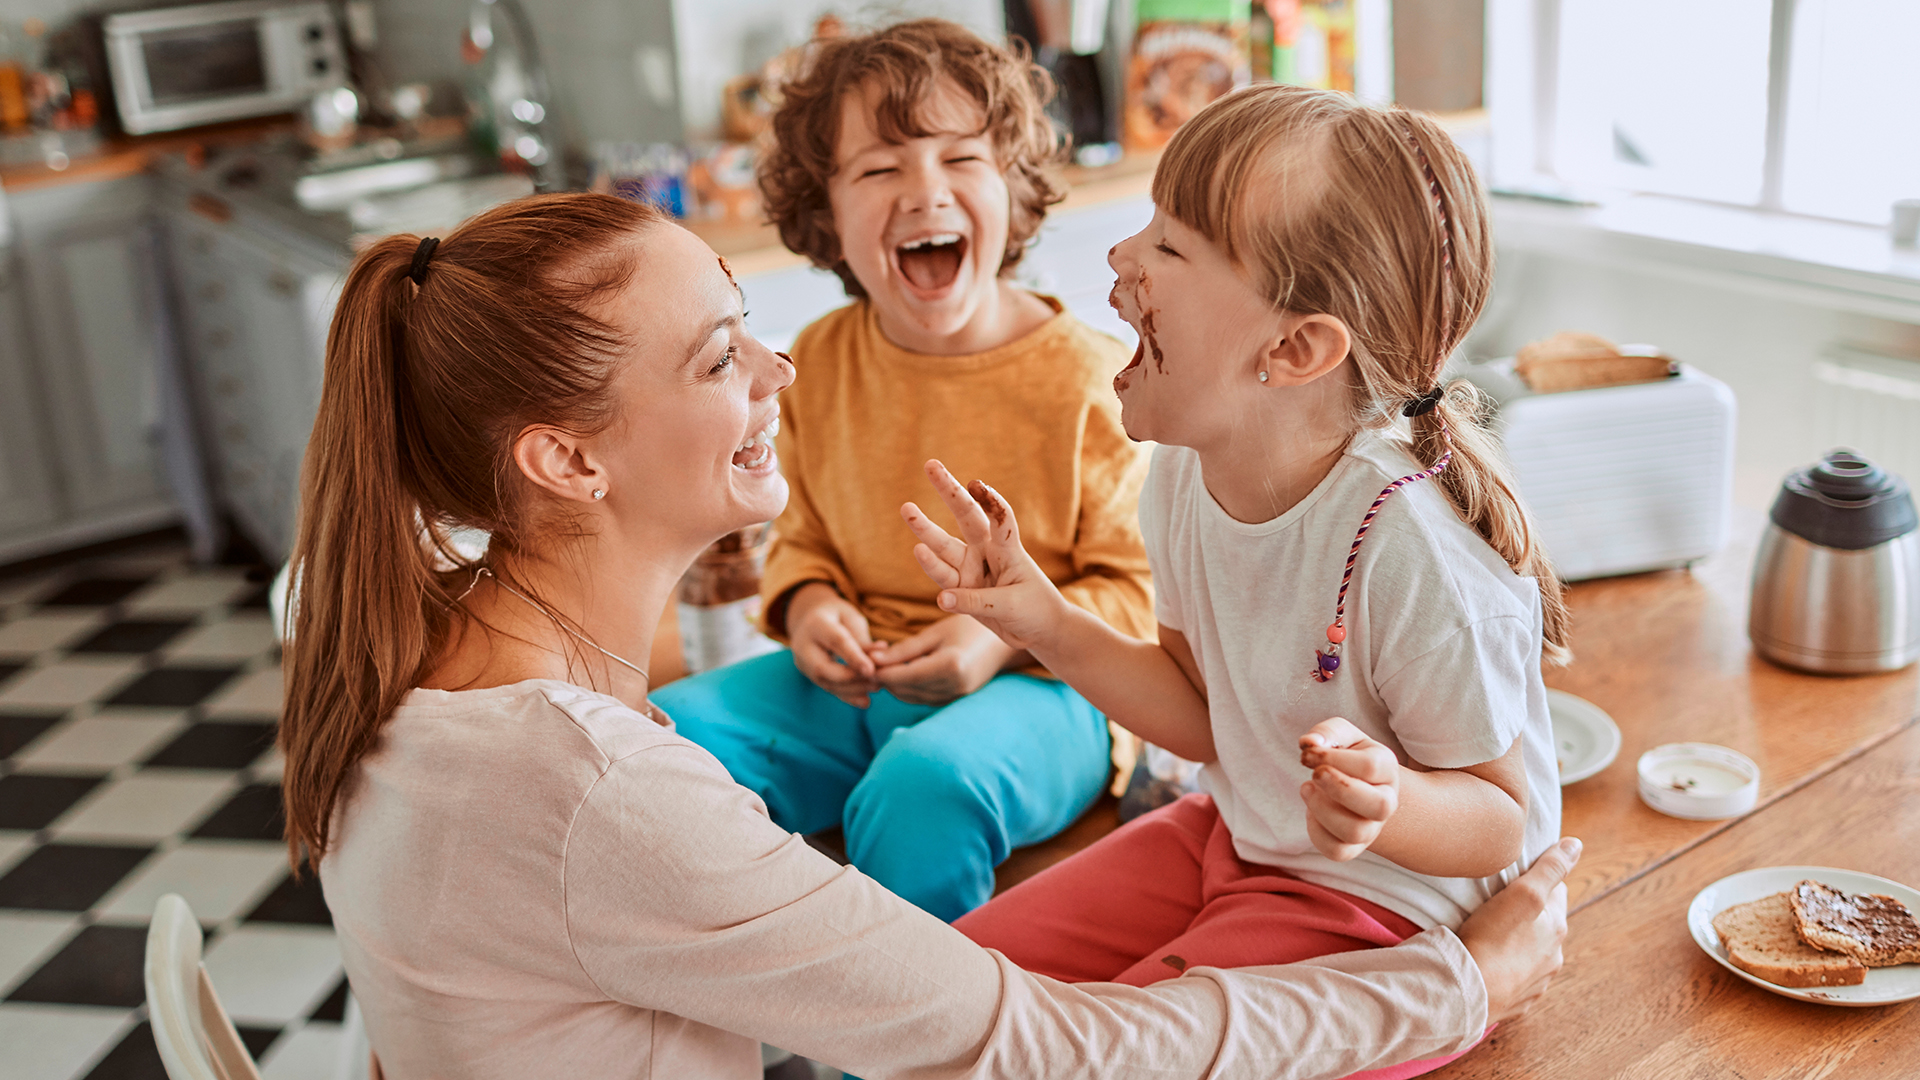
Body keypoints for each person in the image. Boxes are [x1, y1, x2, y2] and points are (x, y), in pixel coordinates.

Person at [280, 191, 1579, 1080]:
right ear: (564, 458)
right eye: (721, 356)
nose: (778, 375)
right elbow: (1043, 1044)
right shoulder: (593, 791)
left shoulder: (395, 641)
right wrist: (1461, 984)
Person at [901, 85, 1570, 1078]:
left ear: (1293, 349)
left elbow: (1498, 822)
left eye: (1170, 247)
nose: (1123, 259)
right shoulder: (1183, 470)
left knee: (1066, 1062)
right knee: (940, 994)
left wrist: (1389, 804)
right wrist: (1041, 617)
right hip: (1236, 830)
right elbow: (1205, 715)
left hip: (1384, 909)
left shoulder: (1408, 546)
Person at [652, 19, 1153, 921]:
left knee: (923, 784)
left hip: (1049, 693)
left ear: (1015, 189)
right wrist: (809, 608)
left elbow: (1138, 596)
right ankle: (732, 1024)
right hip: (856, 684)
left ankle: (915, 1059)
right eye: (880, 170)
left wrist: (997, 637)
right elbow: (803, 537)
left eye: (962, 159)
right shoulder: (821, 357)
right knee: (666, 743)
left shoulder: (1091, 378)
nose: (925, 192)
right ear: (826, 214)